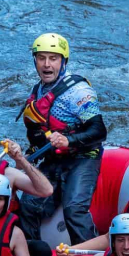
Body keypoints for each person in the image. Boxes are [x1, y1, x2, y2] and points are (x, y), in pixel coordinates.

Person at [17, 33, 107, 244]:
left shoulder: (78, 92)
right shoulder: (39, 89)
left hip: (84, 156)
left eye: (53, 58)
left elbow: (99, 131)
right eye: (41, 58)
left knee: (73, 210)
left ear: (63, 61)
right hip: (54, 158)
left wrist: (70, 141)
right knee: (29, 206)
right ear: (35, 60)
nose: (47, 65)